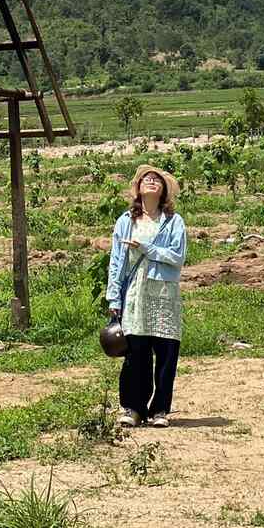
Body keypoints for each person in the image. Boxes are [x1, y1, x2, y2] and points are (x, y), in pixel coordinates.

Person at [106, 164, 187, 428]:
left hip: (165, 294)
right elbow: (117, 262)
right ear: (138, 189)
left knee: (166, 353)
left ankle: (160, 410)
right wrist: (113, 298)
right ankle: (133, 408)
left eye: (157, 180)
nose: (151, 181)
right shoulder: (125, 222)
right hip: (135, 293)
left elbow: (177, 257)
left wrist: (147, 248)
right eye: (146, 179)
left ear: (163, 190)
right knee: (136, 354)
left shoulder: (174, 222)